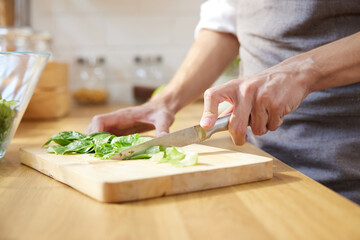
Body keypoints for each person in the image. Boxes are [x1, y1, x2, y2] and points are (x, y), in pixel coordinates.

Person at [87, 1, 360, 204]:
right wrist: (167, 101)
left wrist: (303, 70)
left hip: (345, 165)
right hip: (261, 160)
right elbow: (226, 20)